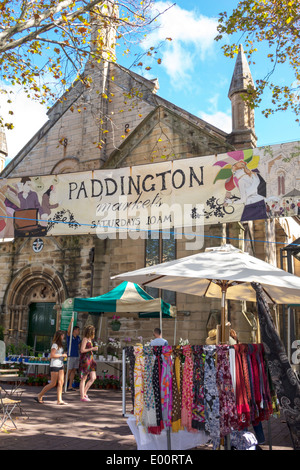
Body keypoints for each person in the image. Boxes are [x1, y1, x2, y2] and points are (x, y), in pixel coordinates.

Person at [36, 330, 68, 405]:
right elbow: (52, 355)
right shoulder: (55, 345)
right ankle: (40, 395)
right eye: (62, 335)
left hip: (60, 364)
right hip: (54, 365)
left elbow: (58, 354)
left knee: (61, 382)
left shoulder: (60, 346)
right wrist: (62, 355)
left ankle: (59, 400)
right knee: (53, 383)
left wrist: (62, 356)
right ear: (59, 336)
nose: (63, 337)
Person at [79, 325, 98, 402]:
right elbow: (82, 350)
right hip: (85, 360)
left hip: (90, 360)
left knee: (93, 377)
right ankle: (82, 396)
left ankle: (84, 393)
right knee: (84, 378)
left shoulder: (90, 340)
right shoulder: (85, 339)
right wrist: (92, 348)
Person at [66, 318, 81, 392]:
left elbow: (79, 346)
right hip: (71, 355)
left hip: (76, 355)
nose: (79, 332)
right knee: (69, 370)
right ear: (75, 330)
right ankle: (64, 385)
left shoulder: (78, 338)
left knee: (73, 371)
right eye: (78, 330)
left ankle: (70, 386)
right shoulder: (70, 336)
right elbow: (68, 331)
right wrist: (71, 322)